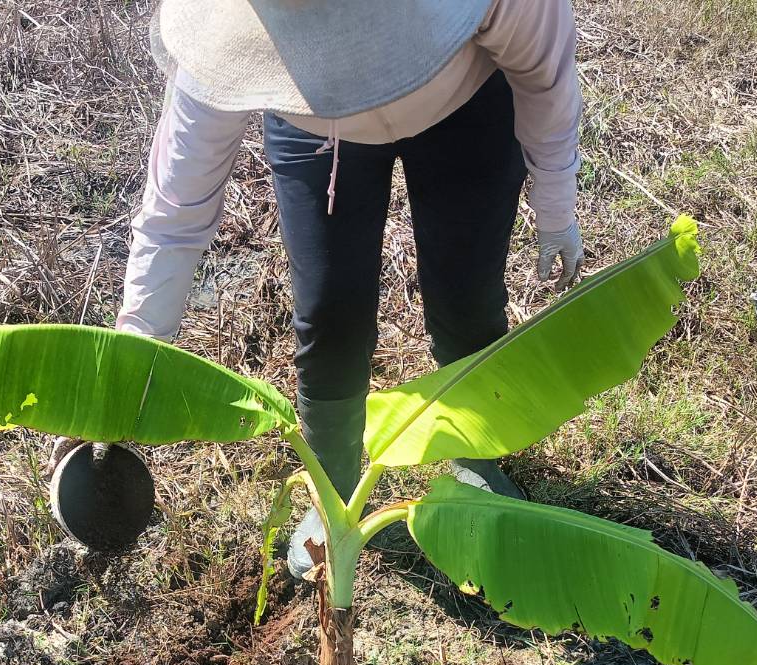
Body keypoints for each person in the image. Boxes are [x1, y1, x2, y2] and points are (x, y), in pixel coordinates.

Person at [117, 0, 583, 579]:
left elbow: (546, 80)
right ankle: (333, 487)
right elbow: (175, 212)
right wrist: (133, 350)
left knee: (466, 299)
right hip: (315, 130)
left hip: (468, 103)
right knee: (328, 311)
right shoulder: (234, 34)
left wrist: (556, 207)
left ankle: (476, 458)